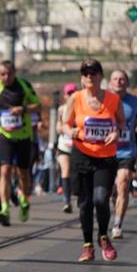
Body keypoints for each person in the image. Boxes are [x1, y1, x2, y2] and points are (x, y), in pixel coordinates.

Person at [63, 58, 124, 263]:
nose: (89, 76)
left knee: (100, 199)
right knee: (85, 203)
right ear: (82, 78)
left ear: (101, 76)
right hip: (82, 154)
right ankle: (87, 245)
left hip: (105, 157)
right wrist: (71, 132)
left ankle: (103, 237)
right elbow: (64, 124)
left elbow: (122, 123)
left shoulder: (113, 99)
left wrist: (116, 133)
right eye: (85, 73)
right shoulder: (76, 98)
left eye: (93, 73)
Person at [0, 61, 41, 226]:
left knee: (23, 173)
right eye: (2, 74)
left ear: (14, 73)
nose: (6, 77)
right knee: (5, 170)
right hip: (4, 135)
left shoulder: (24, 86)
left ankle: (24, 200)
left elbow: (38, 106)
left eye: (9, 74)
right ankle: (4, 208)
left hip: (23, 135)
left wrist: (23, 109)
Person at [109, 69, 137, 238]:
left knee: (123, 183)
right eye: (115, 79)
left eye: (122, 79)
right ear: (110, 82)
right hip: (105, 151)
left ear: (127, 83)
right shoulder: (104, 99)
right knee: (109, 190)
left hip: (126, 151)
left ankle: (117, 224)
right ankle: (112, 199)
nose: (118, 82)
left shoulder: (135, 101)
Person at [55, 82, 77, 212]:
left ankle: (79, 197)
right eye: (69, 93)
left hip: (78, 146)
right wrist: (61, 128)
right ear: (65, 96)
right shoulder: (61, 109)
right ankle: (67, 202)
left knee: (77, 174)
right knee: (66, 170)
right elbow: (58, 125)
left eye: (73, 93)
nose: (71, 96)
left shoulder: (81, 108)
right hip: (64, 145)